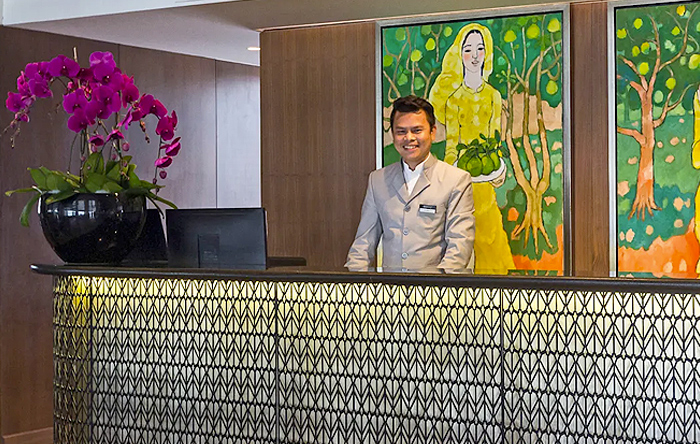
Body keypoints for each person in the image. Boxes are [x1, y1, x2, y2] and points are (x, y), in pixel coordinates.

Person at [345, 95, 475, 272]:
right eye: (401, 132)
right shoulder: (378, 180)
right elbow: (363, 243)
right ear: (393, 134)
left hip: (436, 293)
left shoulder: (456, 180)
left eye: (417, 130)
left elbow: (460, 245)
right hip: (391, 294)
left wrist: (439, 289)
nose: (409, 138)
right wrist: (354, 284)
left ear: (432, 132)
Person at [428, 22, 515, 275]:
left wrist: (498, 169)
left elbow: (494, 143)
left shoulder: (493, 96)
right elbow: (452, 147)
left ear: (487, 53)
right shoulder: (454, 100)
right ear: (460, 55)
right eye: (468, 49)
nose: (474, 55)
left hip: (486, 185)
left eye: (480, 48)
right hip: (459, 186)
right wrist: (456, 174)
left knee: (490, 239)